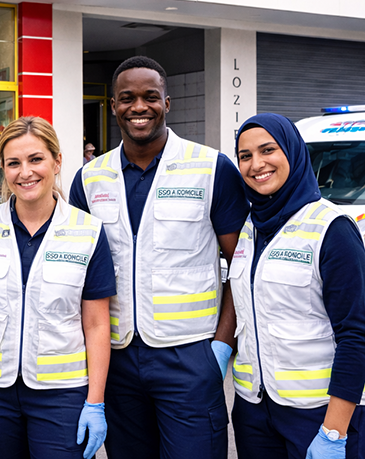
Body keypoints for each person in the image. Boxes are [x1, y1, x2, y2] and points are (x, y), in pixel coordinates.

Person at [69, 56, 250, 459]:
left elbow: (241, 266)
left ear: (167, 103)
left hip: (189, 356)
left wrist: (220, 349)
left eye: (150, 97)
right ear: (113, 105)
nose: (139, 107)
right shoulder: (89, 178)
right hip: (117, 359)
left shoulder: (210, 168)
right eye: (127, 98)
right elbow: (77, 275)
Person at [0, 116, 116, 459]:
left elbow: (97, 324)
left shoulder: (88, 231)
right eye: (13, 163)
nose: (25, 172)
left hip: (61, 394)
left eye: (36, 159)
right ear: (3, 169)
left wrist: (95, 402)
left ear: (57, 161)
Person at [230, 113, 365, 459]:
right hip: (255, 412)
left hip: (320, 412)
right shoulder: (250, 226)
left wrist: (334, 431)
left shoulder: (332, 228)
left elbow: (356, 336)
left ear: (292, 153)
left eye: (268, 150)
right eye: (245, 155)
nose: (256, 164)